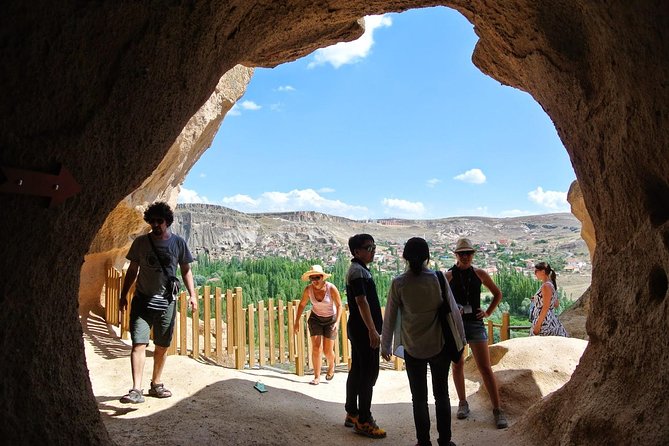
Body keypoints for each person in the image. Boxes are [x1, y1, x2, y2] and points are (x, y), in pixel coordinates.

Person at [381, 237, 464, 446]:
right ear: (427, 256)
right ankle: (445, 441)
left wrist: (385, 345)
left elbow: (390, 316)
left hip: (412, 347)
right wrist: (461, 341)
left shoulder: (399, 283)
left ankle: (423, 442)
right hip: (439, 346)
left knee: (418, 398)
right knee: (441, 395)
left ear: (405, 257)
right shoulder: (437, 278)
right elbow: (453, 311)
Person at [118, 202, 198, 404]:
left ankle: (156, 384)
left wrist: (192, 295)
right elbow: (132, 270)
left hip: (167, 302)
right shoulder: (141, 243)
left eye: (159, 221)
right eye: (152, 221)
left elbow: (186, 269)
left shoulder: (178, 243)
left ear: (167, 222)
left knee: (162, 346)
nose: (155, 224)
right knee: (138, 344)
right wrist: (123, 294)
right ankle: (136, 389)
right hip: (142, 301)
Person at [446, 238, 508, 429]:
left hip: (474, 323)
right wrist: (454, 308)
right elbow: (442, 299)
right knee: (458, 364)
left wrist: (488, 312)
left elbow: (498, 294)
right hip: (456, 324)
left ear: (473, 255)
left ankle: (497, 409)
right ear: (456, 255)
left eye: (469, 253)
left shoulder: (480, 274)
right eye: (462, 253)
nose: (465, 257)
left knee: (485, 366)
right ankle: (463, 403)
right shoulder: (448, 276)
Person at [344, 234, 386, 439]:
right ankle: (364, 419)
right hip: (363, 331)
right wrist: (372, 330)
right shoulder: (358, 272)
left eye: (374, 246)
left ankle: (352, 413)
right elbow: (362, 302)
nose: (373, 250)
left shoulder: (358, 269)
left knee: (358, 371)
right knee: (368, 374)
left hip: (358, 328)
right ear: (356, 252)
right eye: (369, 247)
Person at [293, 264, 343, 385]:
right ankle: (317, 376)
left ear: (322, 277)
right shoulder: (308, 290)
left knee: (327, 351)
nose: (315, 281)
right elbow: (302, 305)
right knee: (316, 347)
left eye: (317, 278)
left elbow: (339, 305)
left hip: (330, 320)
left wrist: (337, 322)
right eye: (312, 278)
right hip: (315, 319)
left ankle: (331, 365)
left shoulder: (331, 288)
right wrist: (296, 321)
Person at [530, 262, 568, 337]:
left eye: (536, 271)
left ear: (543, 271)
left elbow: (546, 307)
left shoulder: (546, 286)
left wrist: (538, 325)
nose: (535, 274)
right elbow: (556, 304)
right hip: (550, 319)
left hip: (544, 322)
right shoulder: (550, 285)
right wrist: (538, 300)